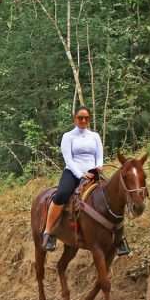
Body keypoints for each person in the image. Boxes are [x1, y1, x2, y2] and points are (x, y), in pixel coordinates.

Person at [42, 106, 104, 252]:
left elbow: (99, 155)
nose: (83, 120)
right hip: (73, 172)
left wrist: (98, 167)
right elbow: (68, 159)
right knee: (62, 194)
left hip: (92, 172)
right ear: (74, 119)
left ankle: (119, 237)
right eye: (80, 118)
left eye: (86, 118)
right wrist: (80, 174)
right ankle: (49, 232)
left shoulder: (95, 136)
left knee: (112, 193)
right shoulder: (68, 136)